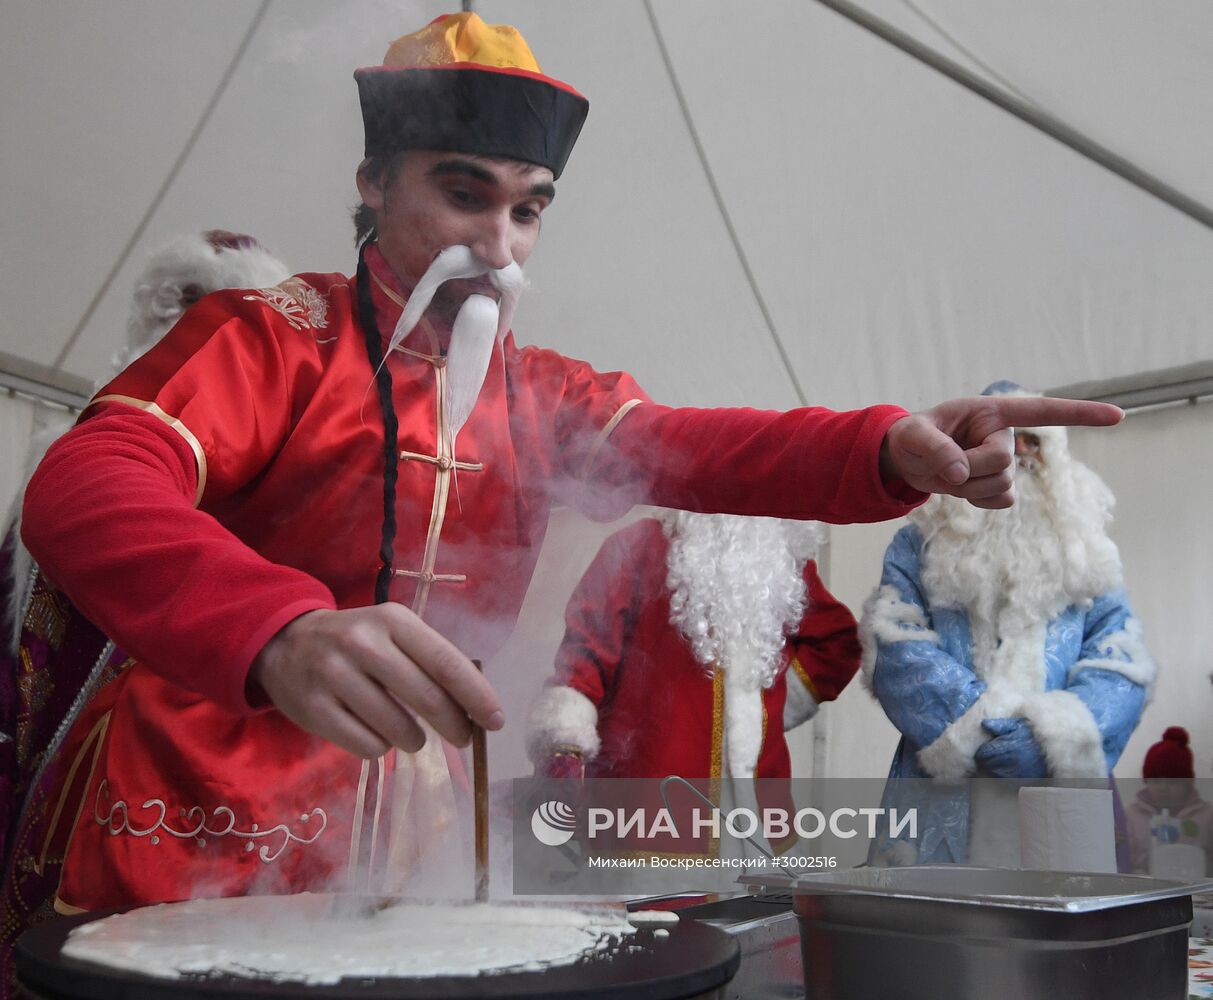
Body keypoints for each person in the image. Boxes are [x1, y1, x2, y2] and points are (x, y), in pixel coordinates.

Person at [16, 11, 1120, 934]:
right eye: (464, 194)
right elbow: (85, 481)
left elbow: (696, 444)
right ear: (372, 180)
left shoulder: (537, 390)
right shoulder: (271, 334)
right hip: (201, 789)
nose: (499, 244)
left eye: (528, 208)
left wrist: (882, 443)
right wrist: (275, 628)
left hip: (415, 807)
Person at [0, 230, 288, 990]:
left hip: (198, 775)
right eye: (183, 307)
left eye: (218, 313)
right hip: (58, 750)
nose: (193, 331)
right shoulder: (66, 458)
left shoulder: (279, 479)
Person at [861, 380, 1152, 868]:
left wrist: (1053, 736)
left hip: (1058, 795)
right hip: (939, 793)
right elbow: (894, 641)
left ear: (1052, 455)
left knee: (1063, 933)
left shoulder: (1088, 552)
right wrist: (977, 727)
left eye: (1032, 438)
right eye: (999, 437)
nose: (1017, 450)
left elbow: (1122, 657)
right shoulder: (919, 542)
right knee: (932, 932)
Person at [527, 512, 860, 858]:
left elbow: (839, 644)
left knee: (765, 910)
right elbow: (584, 659)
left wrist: (766, 715)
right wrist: (564, 749)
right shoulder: (636, 548)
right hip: (652, 814)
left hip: (763, 822)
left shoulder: (783, 557)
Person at [1126, 727, 1213, 876]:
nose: (1163, 787)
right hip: (1147, 892)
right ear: (1146, 781)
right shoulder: (1132, 815)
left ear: (1187, 784)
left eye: (1172, 781)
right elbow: (1125, 862)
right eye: (1155, 780)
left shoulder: (1206, 816)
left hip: (1197, 892)